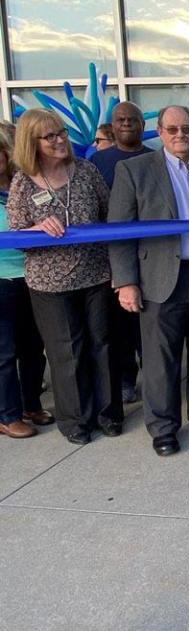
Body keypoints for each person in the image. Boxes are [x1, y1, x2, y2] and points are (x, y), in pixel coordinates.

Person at [108, 105, 189, 457]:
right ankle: (163, 427)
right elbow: (120, 232)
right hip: (160, 278)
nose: (181, 135)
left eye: (187, 129)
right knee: (161, 358)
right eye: (172, 129)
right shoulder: (134, 170)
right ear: (159, 132)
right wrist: (126, 281)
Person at [6, 109, 121, 445]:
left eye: (61, 133)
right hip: (49, 284)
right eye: (50, 136)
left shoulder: (86, 171)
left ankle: (108, 413)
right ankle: (75, 420)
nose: (59, 140)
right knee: (66, 351)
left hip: (95, 275)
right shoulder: (23, 182)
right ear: (32, 143)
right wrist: (35, 229)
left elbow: (110, 214)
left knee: (102, 345)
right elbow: (15, 234)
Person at [91, 101, 153, 406]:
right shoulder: (98, 161)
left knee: (148, 328)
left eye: (133, 119)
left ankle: (153, 378)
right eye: (120, 119)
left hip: (153, 255)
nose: (127, 123)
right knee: (119, 329)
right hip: (113, 257)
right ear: (112, 126)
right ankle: (126, 379)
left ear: (142, 124)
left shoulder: (156, 160)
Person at [0, 132, 53, 438]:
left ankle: (30, 404)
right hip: (2, 279)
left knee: (33, 349)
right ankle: (7, 415)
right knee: (4, 353)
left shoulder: (22, 185)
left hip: (31, 275)